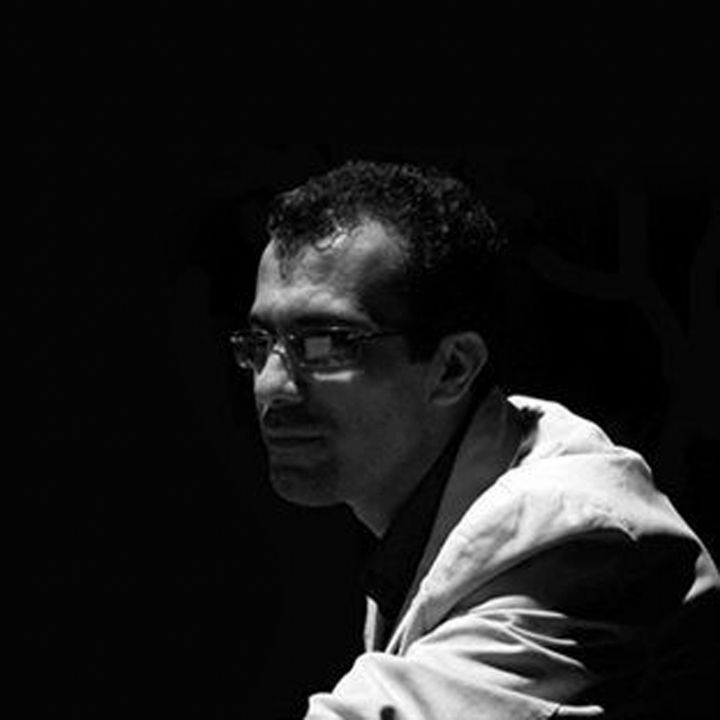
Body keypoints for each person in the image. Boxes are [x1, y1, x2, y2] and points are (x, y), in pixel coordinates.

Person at [229, 160, 720, 719]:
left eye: (325, 343)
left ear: (453, 368)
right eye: (260, 342)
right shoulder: (426, 516)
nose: (271, 386)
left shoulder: (575, 538)